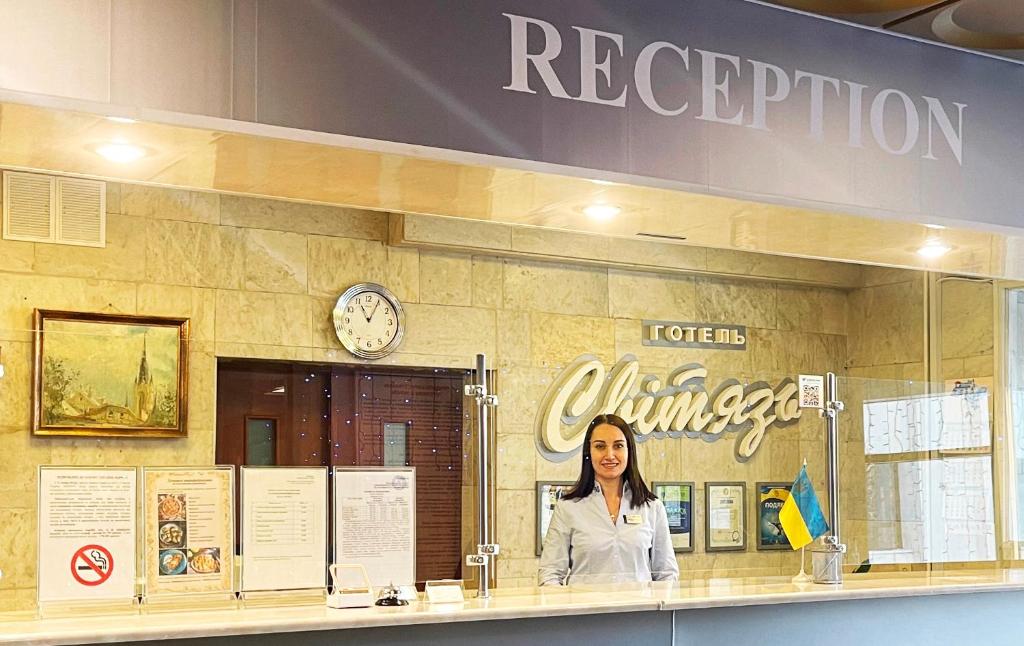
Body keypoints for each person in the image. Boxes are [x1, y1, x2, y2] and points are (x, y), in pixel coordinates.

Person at [538, 413, 679, 586]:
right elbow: (550, 574)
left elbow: (666, 574)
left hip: (639, 611)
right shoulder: (568, 507)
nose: (610, 455)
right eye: (600, 446)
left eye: (618, 446)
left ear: (629, 451)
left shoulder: (652, 507)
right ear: (588, 452)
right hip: (586, 611)